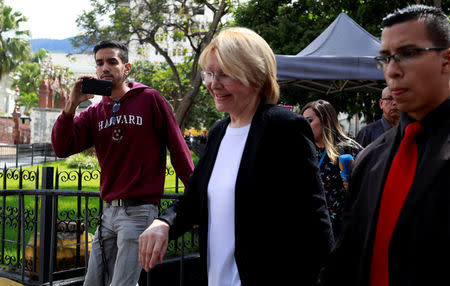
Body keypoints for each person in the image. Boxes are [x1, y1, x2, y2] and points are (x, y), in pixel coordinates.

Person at [138, 27, 334, 286]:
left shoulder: (285, 128)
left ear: (255, 76)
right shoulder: (219, 132)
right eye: (209, 73)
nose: (212, 84)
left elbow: (314, 217)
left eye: (225, 74)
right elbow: (193, 200)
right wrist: (164, 223)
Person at [324, 5, 450, 286]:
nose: (392, 70)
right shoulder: (370, 159)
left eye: (408, 54)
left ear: (446, 59)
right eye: (385, 59)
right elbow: (347, 257)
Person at [51, 40, 194, 286]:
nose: (104, 67)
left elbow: (178, 148)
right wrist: (71, 105)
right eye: (99, 63)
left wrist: (196, 196)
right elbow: (62, 147)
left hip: (139, 211)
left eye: (111, 62)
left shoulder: (149, 99)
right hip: (108, 214)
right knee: (93, 282)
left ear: (126, 67)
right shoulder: (96, 112)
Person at [301, 100, 362, 238]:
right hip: (311, 227)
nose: (305, 126)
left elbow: (370, 188)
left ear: (326, 121)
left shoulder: (349, 149)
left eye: (309, 121)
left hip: (342, 229)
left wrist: (353, 185)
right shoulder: (304, 150)